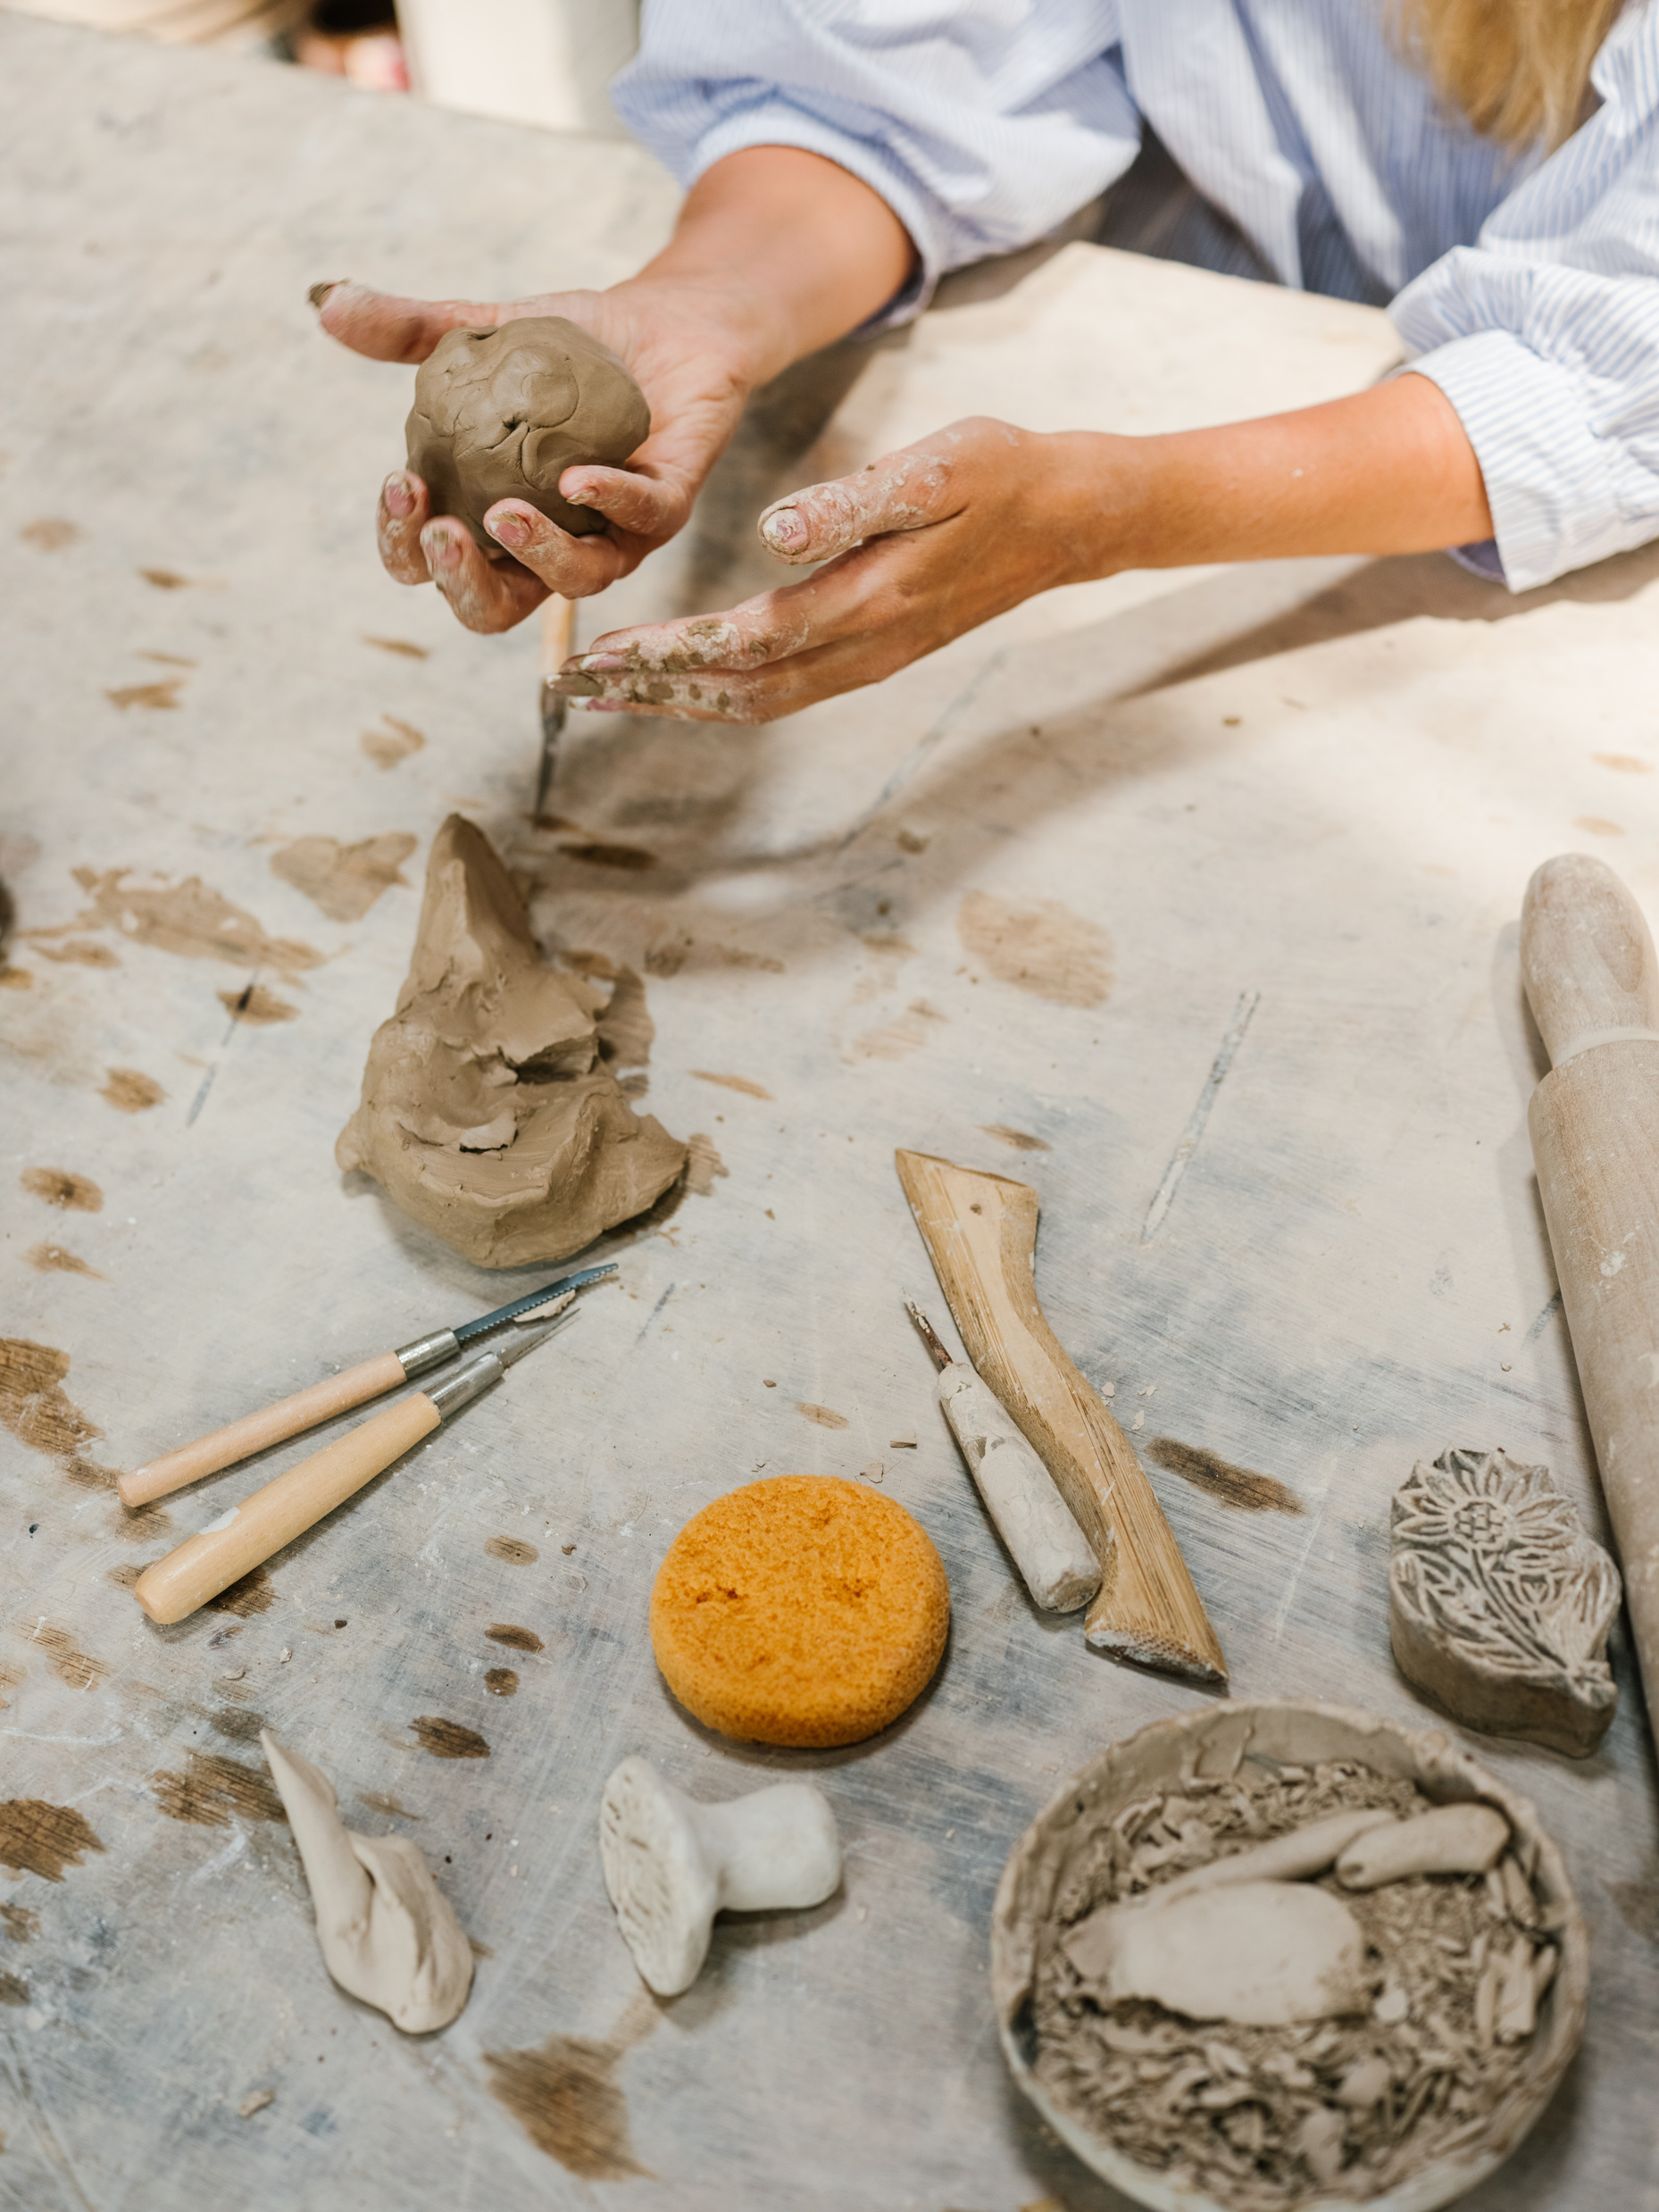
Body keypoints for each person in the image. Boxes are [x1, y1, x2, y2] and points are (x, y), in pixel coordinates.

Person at [319, 0, 1659, 723]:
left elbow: (1598, 380)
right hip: (1201, 305)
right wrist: (712, 302)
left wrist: (1103, 515)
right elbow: (886, 61)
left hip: (1565, 526)